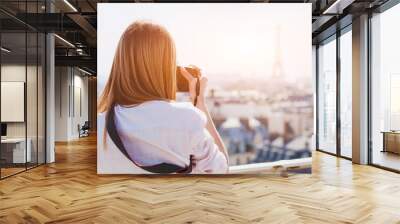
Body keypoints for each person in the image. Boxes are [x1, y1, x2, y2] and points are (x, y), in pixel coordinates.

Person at [98, 21, 229, 174]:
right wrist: (199, 103)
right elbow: (222, 170)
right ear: (166, 67)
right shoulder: (187, 119)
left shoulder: (101, 124)